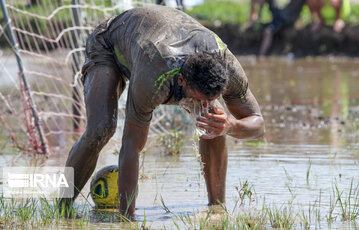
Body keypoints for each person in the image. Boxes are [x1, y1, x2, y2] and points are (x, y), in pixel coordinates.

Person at [60, 6, 264, 218]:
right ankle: (62, 204)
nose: (202, 104)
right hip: (111, 43)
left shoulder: (228, 66)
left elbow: (257, 123)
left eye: (211, 97)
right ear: (182, 81)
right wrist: (126, 221)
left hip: (165, 37)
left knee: (213, 118)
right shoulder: (153, 78)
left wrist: (231, 125)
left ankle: (216, 207)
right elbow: (130, 146)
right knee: (100, 129)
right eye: (197, 98)